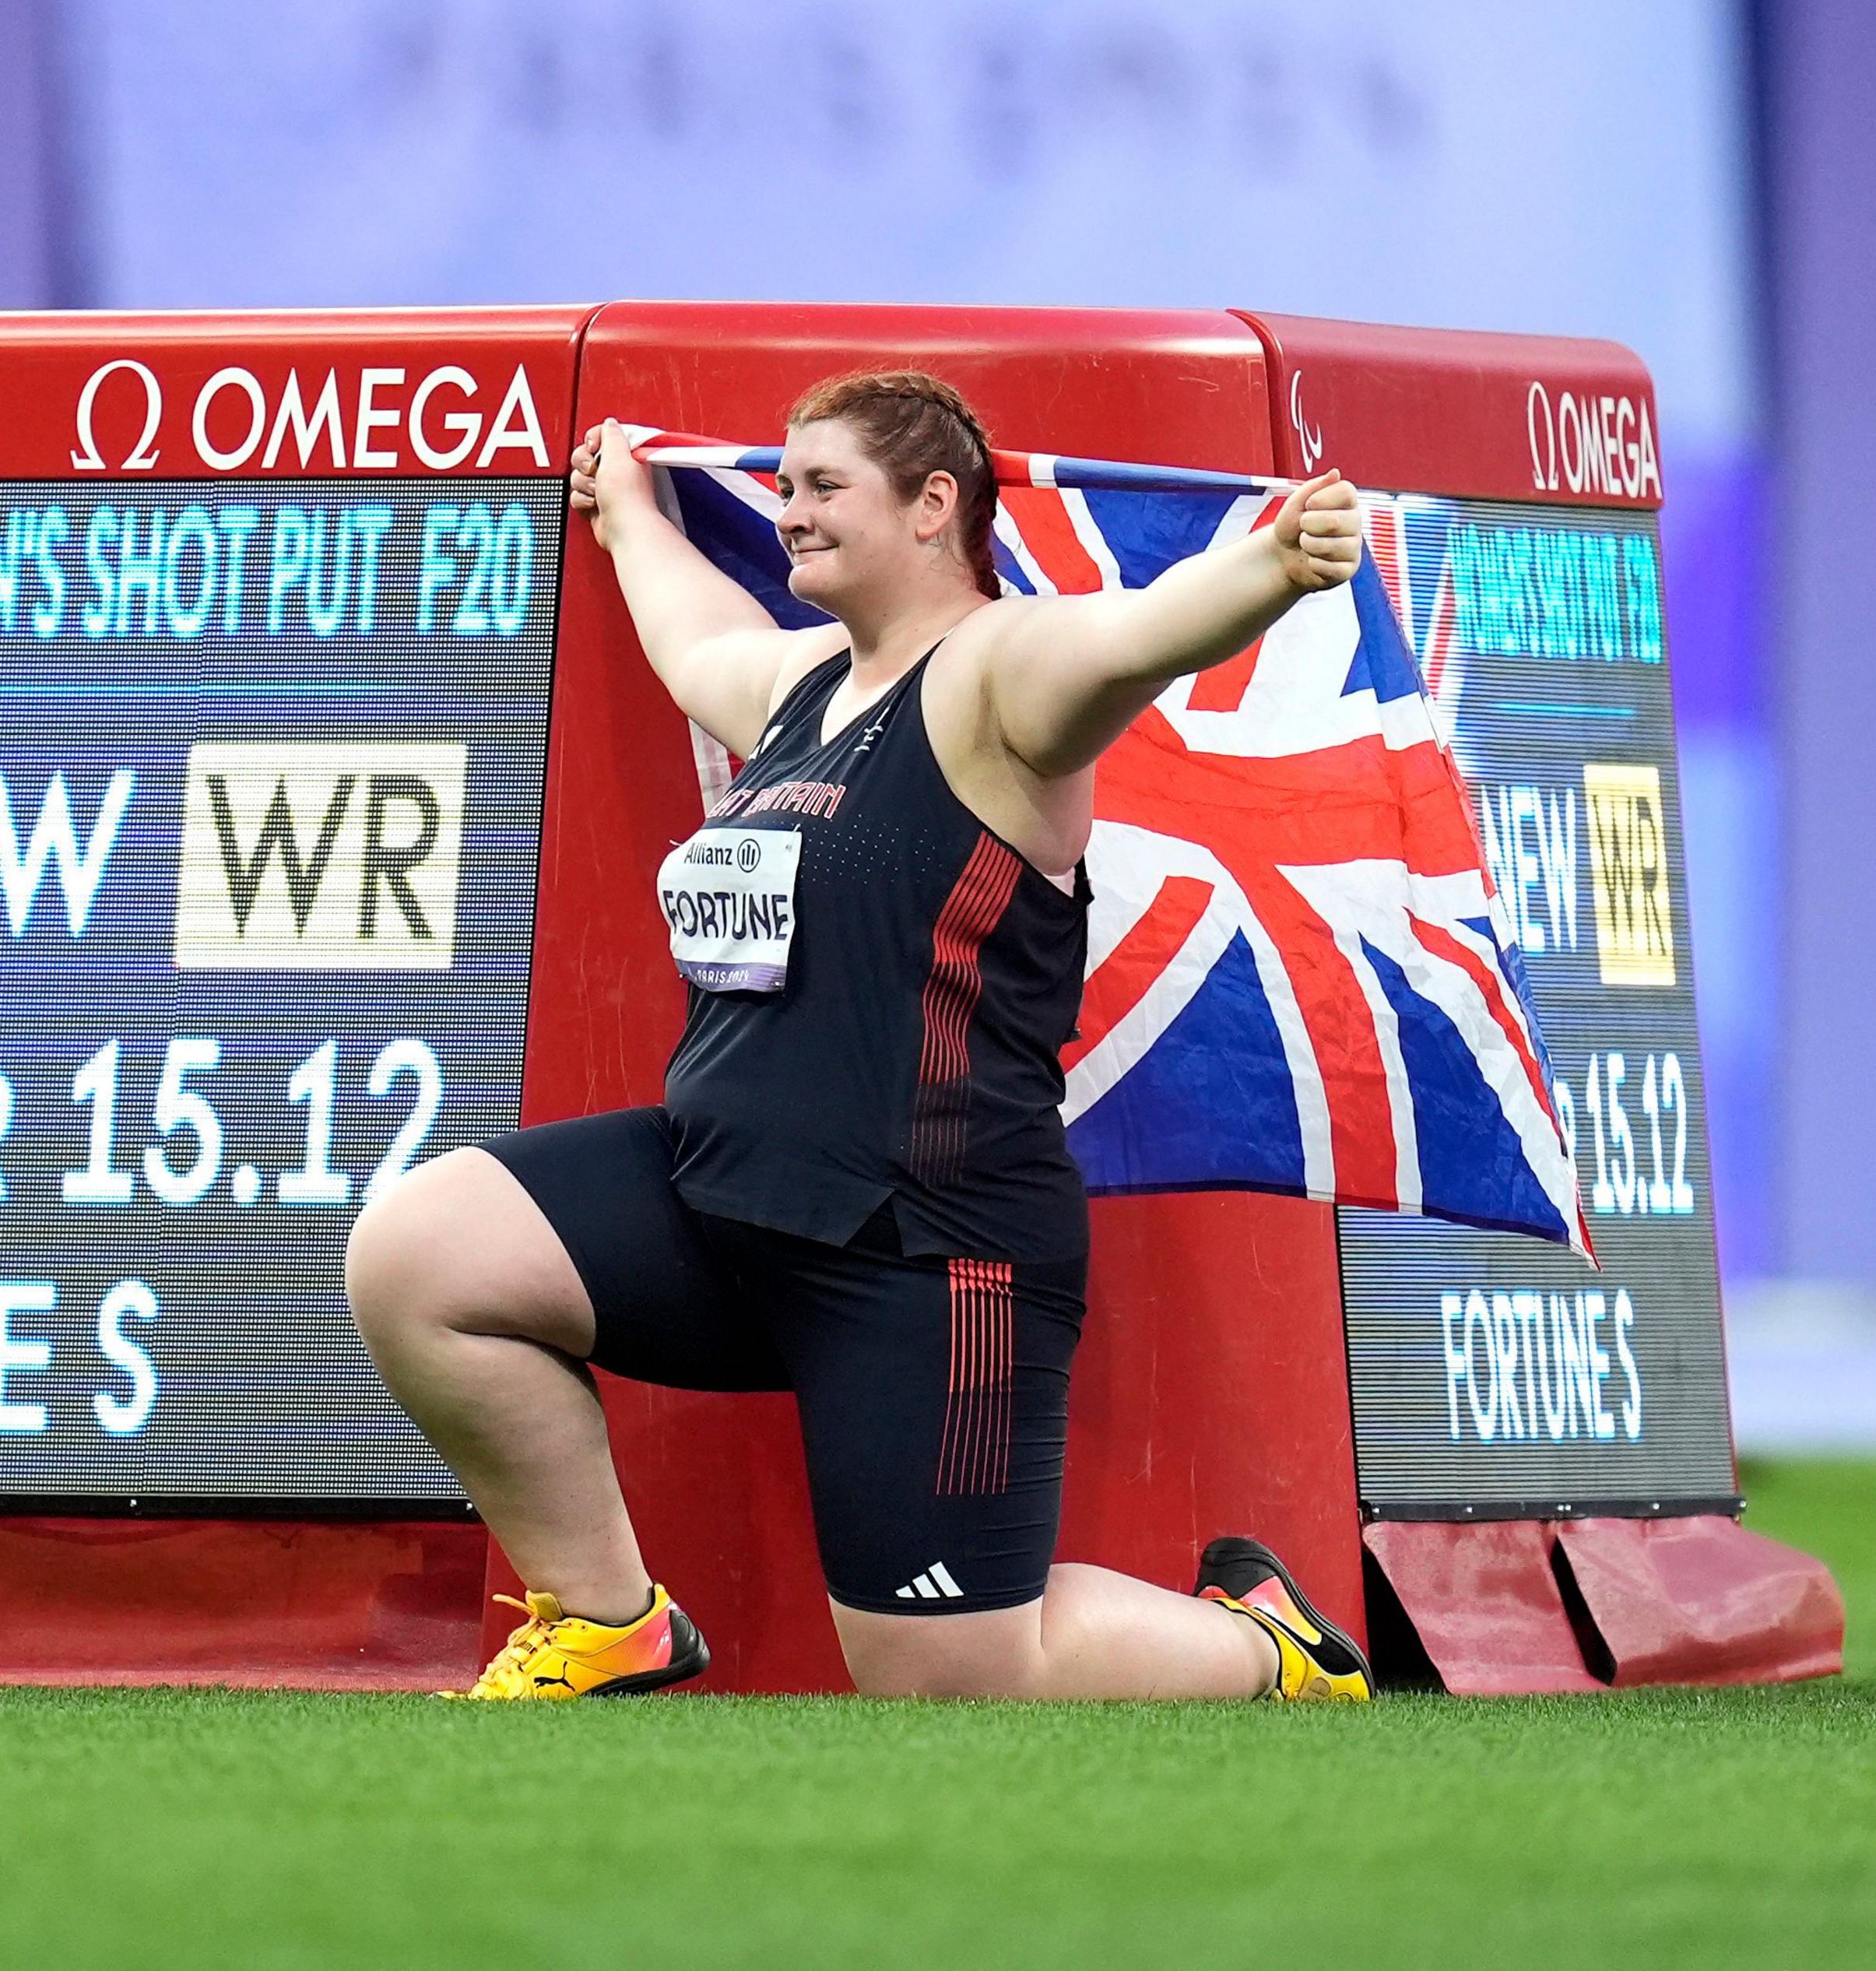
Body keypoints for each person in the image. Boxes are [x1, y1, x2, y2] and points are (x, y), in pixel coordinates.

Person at [345, 369, 1375, 1702]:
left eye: (825, 486)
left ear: (936, 504)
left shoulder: (1004, 674)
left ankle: (1265, 1649)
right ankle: (605, 1622)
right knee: (420, 1259)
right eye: (783, 483)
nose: (788, 511)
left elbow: (1136, 638)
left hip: (927, 1248)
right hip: (721, 1200)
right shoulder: (803, 682)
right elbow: (689, 636)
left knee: (956, 1684)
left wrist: (1273, 571)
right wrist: (631, 512)